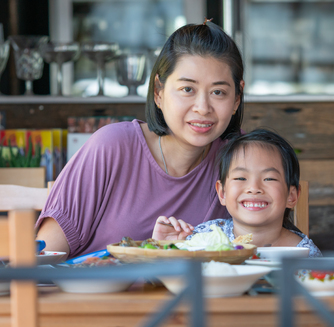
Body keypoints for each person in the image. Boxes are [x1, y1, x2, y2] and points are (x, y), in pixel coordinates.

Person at [35, 19, 245, 259]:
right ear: (158, 92)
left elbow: (268, 243)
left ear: (237, 98)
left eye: (218, 92)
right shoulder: (112, 147)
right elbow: (43, 260)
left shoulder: (242, 159)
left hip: (193, 296)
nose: (202, 107)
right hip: (90, 293)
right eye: (187, 89)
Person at [152, 129, 322, 257]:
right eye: (241, 178)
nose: (254, 188)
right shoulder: (204, 238)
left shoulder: (304, 254)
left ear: (291, 196)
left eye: (269, 179)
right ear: (223, 193)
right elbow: (161, 282)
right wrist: (164, 249)